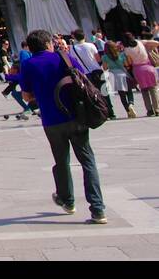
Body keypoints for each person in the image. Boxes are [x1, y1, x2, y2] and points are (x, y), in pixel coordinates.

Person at [6, 30, 107, 223]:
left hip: (52, 121)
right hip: (76, 117)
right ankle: (98, 210)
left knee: (61, 161)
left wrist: (41, 95)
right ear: (47, 44)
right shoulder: (64, 58)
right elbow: (82, 80)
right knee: (87, 161)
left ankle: (67, 201)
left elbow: (26, 96)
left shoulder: (28, 65)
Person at [102, 40, 135, 119]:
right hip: (124, 74)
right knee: (129, 92)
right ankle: (131, 104)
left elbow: (105, 68)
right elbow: (126, 64)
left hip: (114, 76)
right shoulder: (121, 54)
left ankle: (128, 111)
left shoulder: (105, 57)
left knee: (122, 95)